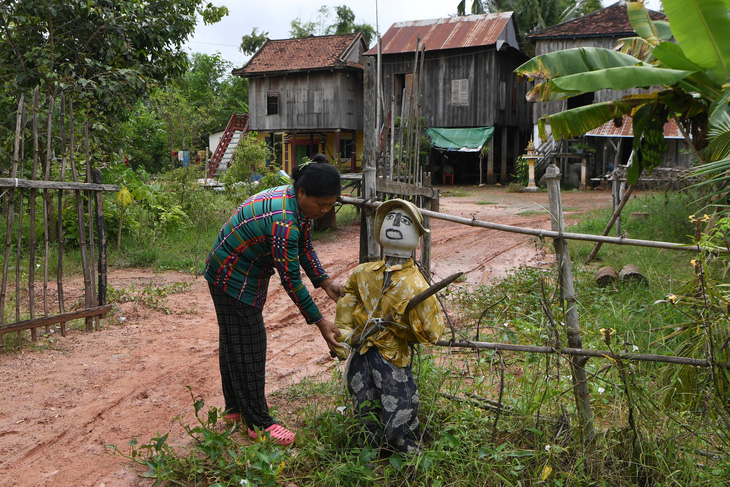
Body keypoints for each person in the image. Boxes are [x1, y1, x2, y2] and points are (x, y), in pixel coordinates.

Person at [204, 154, 344, 446]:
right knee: (250, 344)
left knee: (235, 340)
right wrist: (320, 322)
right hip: (231, 275)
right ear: (303, 192)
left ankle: (235, 410)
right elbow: (291, 280)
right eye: (321, 204)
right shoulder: (284, 222)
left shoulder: (297, 205)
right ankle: (258, 422)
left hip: (238, 269)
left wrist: (324, 281)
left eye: (331, 204)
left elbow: (304, 246)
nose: (325, 210)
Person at [334, 199, 445, 454]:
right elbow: (348, 300)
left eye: (404, 221)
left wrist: (399, 326)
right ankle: (367, 447)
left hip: (393, 356)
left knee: (400, 402)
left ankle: (404, 449)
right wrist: (344, 336)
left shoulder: (416, 285)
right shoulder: (363, 273)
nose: (395, 225)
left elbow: (431, 331)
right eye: (390, 219)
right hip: (361, 350)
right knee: (362, 398)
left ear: (417, 234)